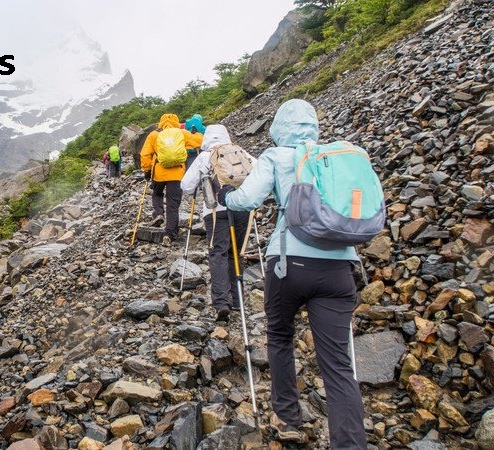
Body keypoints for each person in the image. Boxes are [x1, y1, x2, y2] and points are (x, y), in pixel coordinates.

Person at [222, 99, 366, 448]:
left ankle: (288, 418)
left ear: (279, 126)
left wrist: (227, 196)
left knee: (281, 335)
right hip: (339, 267)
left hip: (288, 262)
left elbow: (247, 199)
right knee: (338, 364)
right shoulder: (336, 157)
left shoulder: (277, 156)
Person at [180, 124, 250, 322]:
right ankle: (237, 299)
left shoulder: (205, 156)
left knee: (218, 252)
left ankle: (221, 301)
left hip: (214, 211)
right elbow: (258, 170)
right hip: (241, 208)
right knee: (236, 252)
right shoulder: (239, 151)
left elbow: (185, 186)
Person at [140, 113, 201, 245]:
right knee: (173, 205)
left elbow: (145, 154)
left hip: (158, 173)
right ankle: (170, 234)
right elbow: (199, 142)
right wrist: (196, 133)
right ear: (176, 122)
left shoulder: (154, 135)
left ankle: (158, 213)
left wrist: (146, 170)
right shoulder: (182, 132)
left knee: (157, 194)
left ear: (161, 122)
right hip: (177, 174)